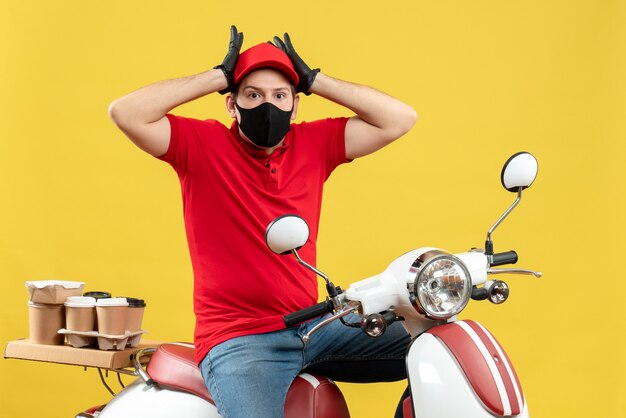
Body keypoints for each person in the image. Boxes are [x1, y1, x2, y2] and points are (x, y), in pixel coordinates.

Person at [109, 26, 417, 418]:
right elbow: (125, 112)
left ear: (294, 104)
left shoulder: (315, 144)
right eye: (252, 95)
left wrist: (315, 80)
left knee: (438, 347)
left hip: (315, 326)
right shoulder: (201, 146)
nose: (267, 106)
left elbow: (400, 119)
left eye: (279, 95)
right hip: (240, 339)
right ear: (231, 104)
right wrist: (218, 76)